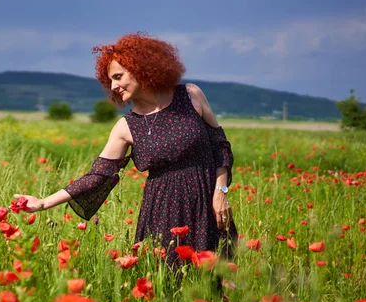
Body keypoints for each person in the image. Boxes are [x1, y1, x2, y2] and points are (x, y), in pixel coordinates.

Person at [15, 32, 237, 265]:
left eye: (118, 76)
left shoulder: (191, 95)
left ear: (141, 67)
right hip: (163, 214)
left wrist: (220, 191)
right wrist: (42, 203)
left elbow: (219, 144)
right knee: (169, 285)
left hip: (209, 207)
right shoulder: (126, 127)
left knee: (218, 283)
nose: (114, 86)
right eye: (110, 80)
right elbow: (98, 176)